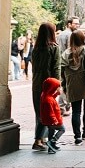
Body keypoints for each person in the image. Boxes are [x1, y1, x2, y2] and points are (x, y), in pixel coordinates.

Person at [61, 30, 85, 144]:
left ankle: (77, 136)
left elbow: (62, 71)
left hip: (73, 84)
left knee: (76, 111)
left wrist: (64, 85)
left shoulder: (66, 53)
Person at [30, 22, 61, 151]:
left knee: (39, 112)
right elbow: (56, 68)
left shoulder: (35, 49)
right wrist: (58, 85)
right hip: (49, 85)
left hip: (37, 83)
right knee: (48, 113)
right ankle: (39, 140)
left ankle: (41, 139)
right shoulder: (54, 47)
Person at [39, 77, 65, 154]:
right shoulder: (48, 100)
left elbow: (51, 97)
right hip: (54, 120)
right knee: (62, 129)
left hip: (49, 121)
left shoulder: (46, 95)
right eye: (58, 87)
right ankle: (52, 141)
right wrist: (54, 120)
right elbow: (50, 112)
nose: (59, 88)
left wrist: (56, 94)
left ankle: (51, 147)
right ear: (52, 88)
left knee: (51, 131)